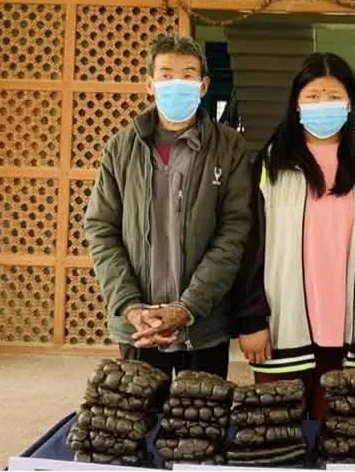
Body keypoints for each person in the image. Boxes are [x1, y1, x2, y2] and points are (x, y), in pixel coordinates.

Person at [234, 53, 355, 419]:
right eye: (313, 95)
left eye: (334, 95)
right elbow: (249, 245)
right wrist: (251, 319)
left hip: (349, 329)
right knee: (278, 432)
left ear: (350, 103)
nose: (323, 103)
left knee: (340, 434)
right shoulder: (271, 162)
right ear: (296, 103)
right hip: (281, 329)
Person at [84, 34, 252, 379]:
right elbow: (101, 229)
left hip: (204, 325)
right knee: (140, 409)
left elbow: (234, 232)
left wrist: (188, 307)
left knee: (202, 410)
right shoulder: (121, 148)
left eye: (187, 75)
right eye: (166, 75)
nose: (177, 84)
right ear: (150, 84)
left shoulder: (229, 147)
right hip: (140, 326)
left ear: (203, 86)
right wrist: (130, 306)